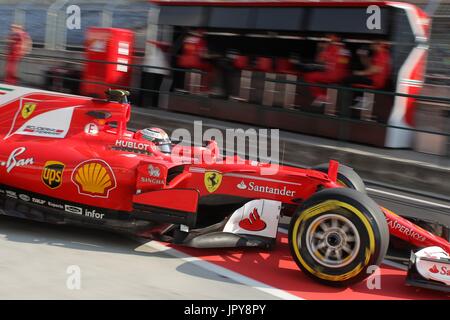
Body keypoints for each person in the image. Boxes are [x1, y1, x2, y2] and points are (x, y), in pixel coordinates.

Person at [303, 34, 350, 106]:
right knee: (320, 77)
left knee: (309, 76)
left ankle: (322, 97)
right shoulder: (345, 50)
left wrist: (321, 49)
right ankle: (326, 97)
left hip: (333, 75)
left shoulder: (330, 49)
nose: (327, 39)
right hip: (343, 75)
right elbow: (343, 62)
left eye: (329, 38)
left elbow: (319, 61)